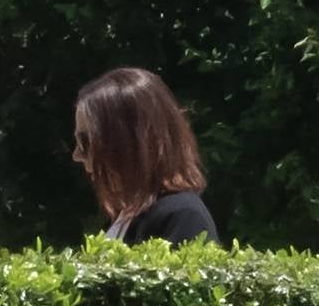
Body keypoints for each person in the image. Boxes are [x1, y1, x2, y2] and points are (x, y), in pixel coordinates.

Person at [72, 67, 218, 245]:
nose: (76, 156)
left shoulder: (182, 216)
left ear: (128, 144)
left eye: (86, 143)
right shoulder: (128, 215)